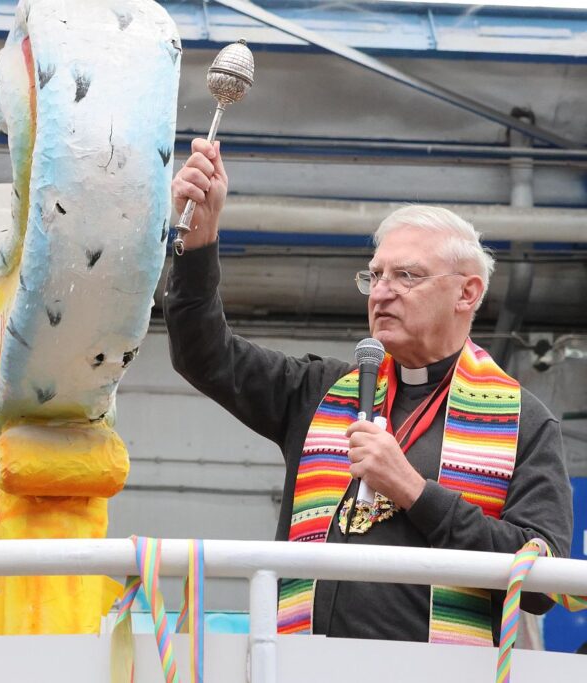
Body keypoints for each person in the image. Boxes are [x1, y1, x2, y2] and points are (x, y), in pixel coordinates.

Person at [164, 139, 572, 645]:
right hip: (303, 667)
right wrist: (199, 240)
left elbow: (542, 584)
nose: (380, 292)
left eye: (407, 276)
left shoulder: (523, 421)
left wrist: (414, 491)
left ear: (467, 293)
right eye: (375, 275)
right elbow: (203, 354)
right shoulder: (319, 392)